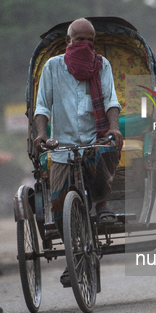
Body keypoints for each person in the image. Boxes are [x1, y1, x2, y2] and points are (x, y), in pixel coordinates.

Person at [33, 18, 123, 285]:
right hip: (61, 146)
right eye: (79, 39)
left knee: (108, 148)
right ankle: (75, 255)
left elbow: (110, 99)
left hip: (95, 140)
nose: (85, 45)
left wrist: (114, 128)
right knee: (59, 206)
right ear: (68, 42)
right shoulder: (52, 67)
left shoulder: (101, 64)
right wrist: (41, 134)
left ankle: (103, 205)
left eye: (90, 41)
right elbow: (42, 107)